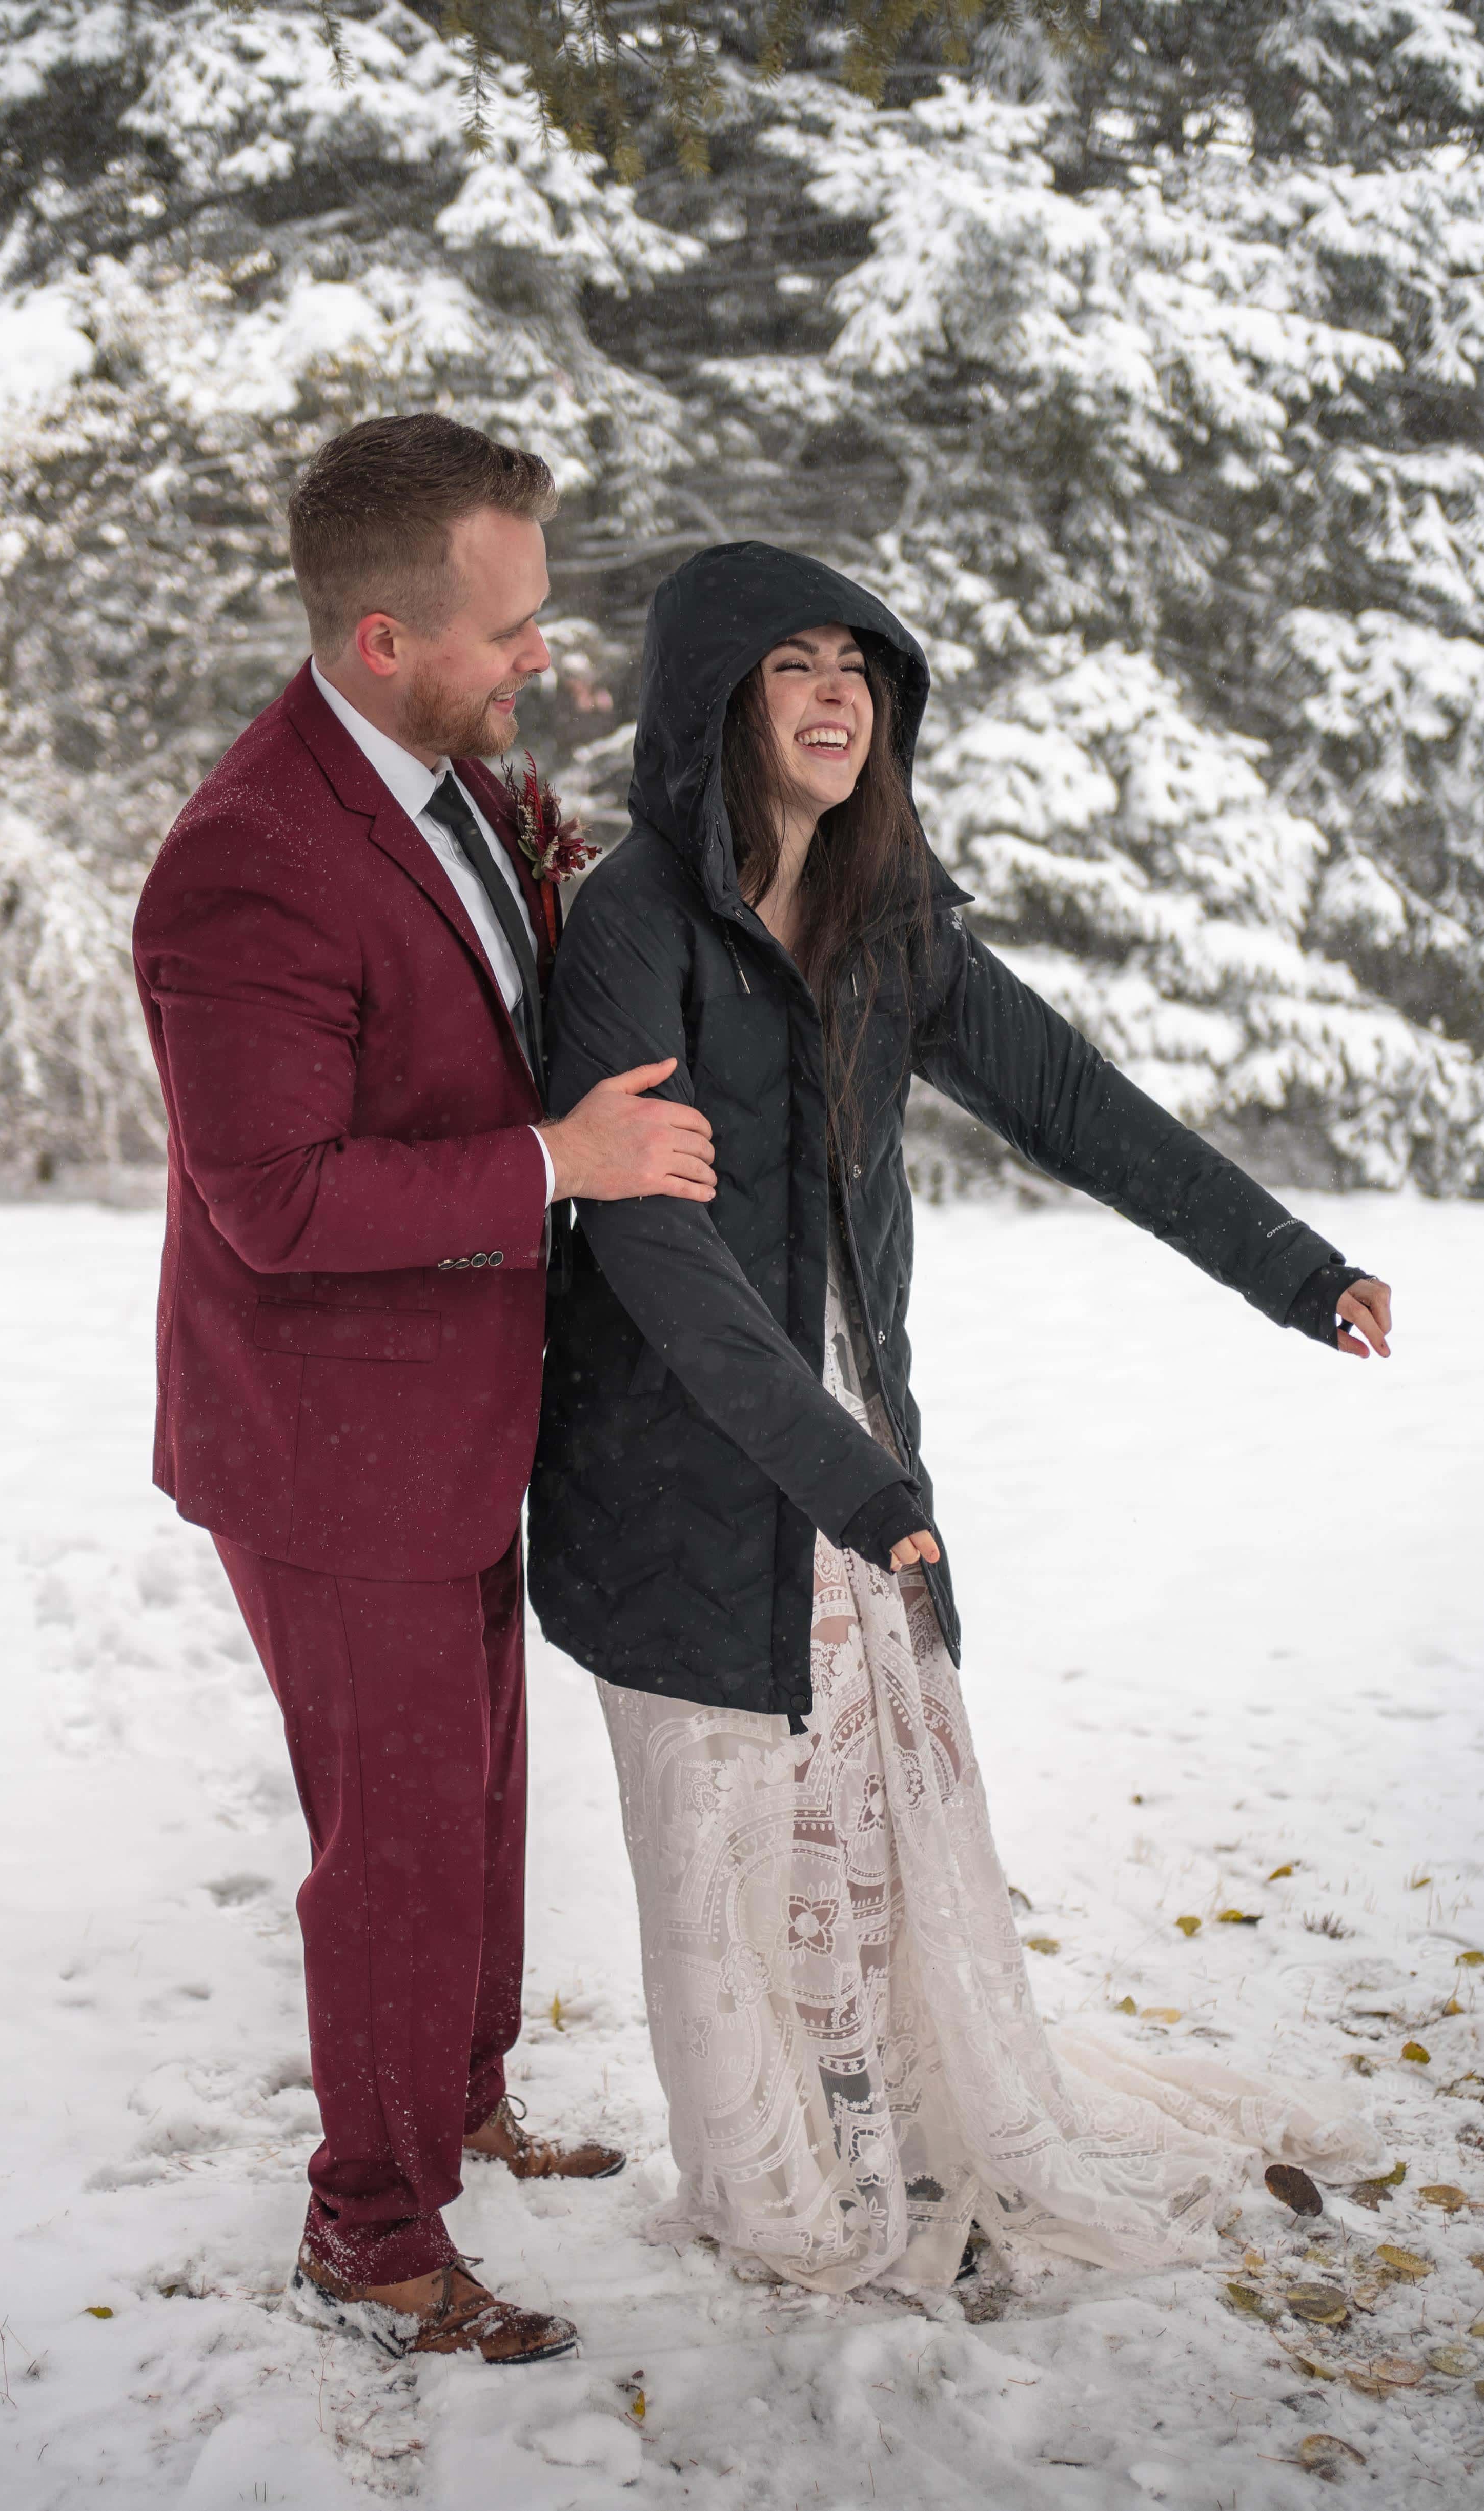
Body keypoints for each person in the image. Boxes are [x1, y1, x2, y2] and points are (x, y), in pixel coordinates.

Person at [531, 541, 1389, 2297]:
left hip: (855, 1434)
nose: (837, 693)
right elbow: (653, 1250)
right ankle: (784, 2180)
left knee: (871, 1803)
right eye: (792, 666)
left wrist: (1293, 1267)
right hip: (684, 1458)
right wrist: (845, 1477)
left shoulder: (883, 916)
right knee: (738, 1820)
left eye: (859, 665)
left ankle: (903, 2124)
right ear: (715, 703)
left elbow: (1078, 1105)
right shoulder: (630, 925)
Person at [131, 415, 719, 2364]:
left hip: (457, 1415)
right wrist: (563, 1163)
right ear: (383, 639)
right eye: (508, 627)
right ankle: (372, 2236)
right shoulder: (248, 863)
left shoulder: (457, 780)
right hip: (325, 1445)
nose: (539, 657)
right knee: (389, 1844)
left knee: (467, 1795)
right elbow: (275, 1203)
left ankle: (454, 2100)